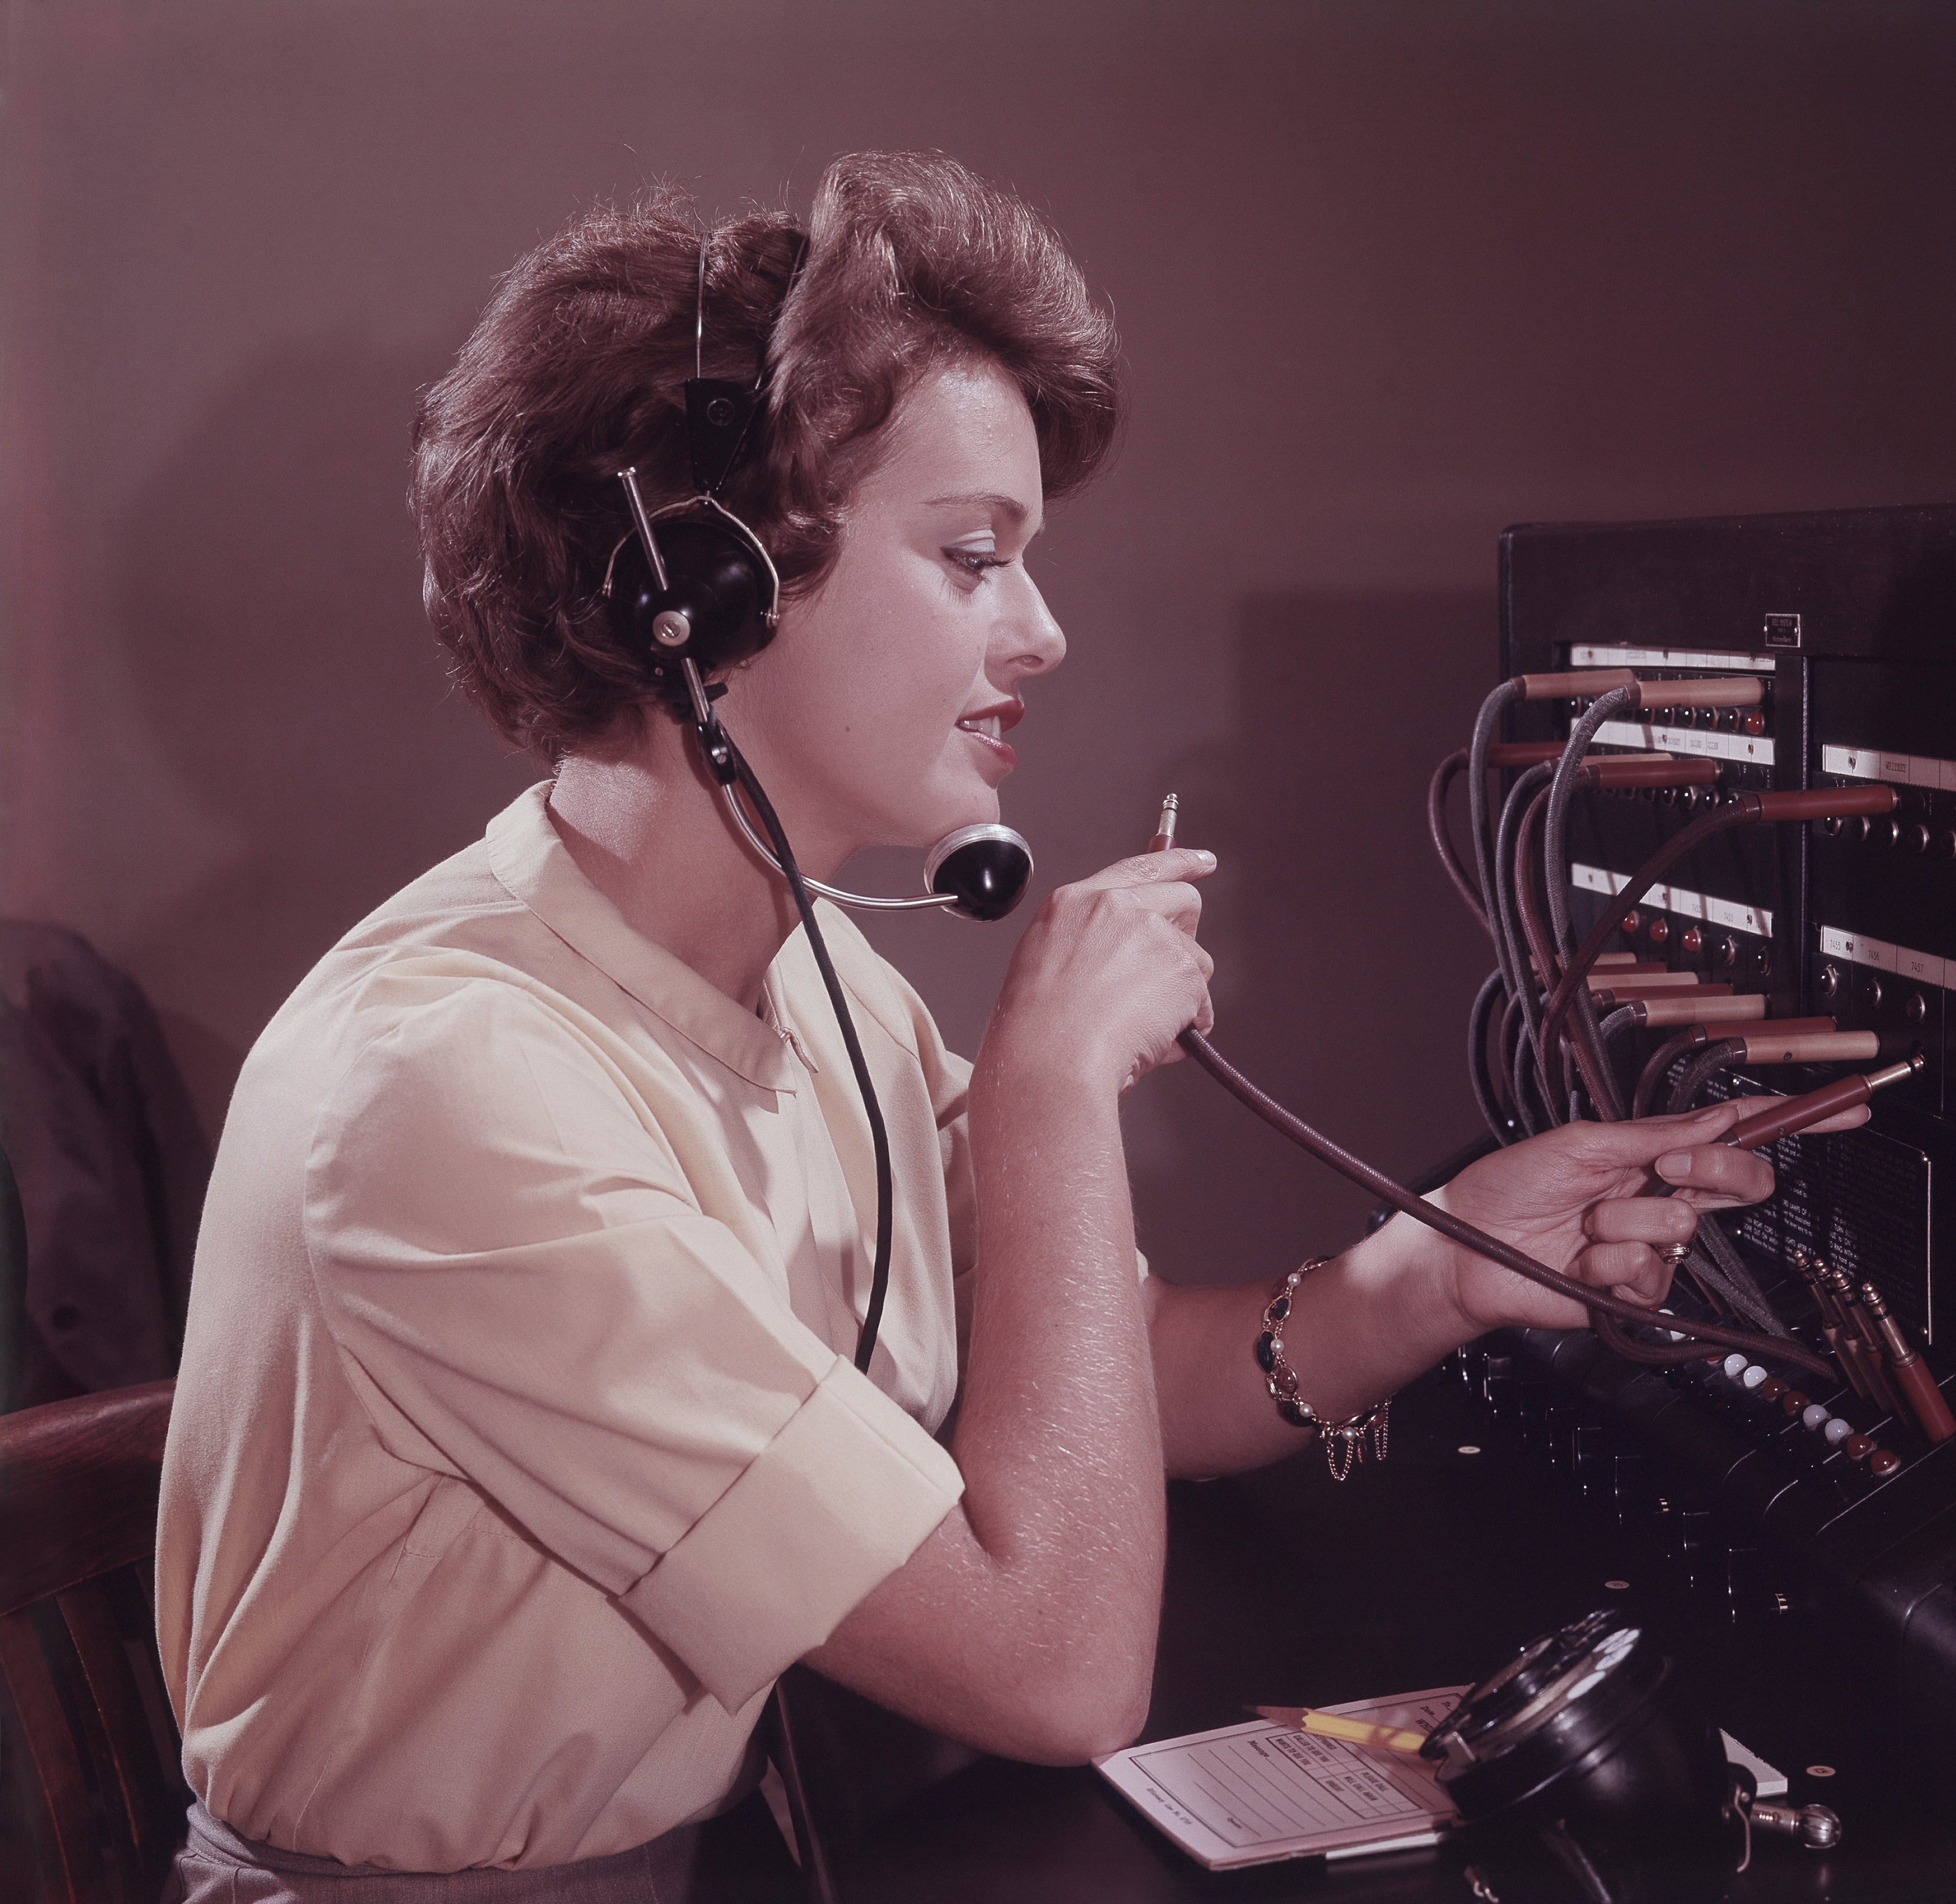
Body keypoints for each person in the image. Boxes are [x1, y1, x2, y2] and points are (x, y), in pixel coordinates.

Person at [155, 151, 1795, 1900]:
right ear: (698, 596)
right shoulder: (452, 1094)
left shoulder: (809, 975)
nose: (1045, 630)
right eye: (970, 556)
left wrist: (1433, 1275)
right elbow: (1057, 1664)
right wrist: (1049, 1083)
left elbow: (1104, 1382)